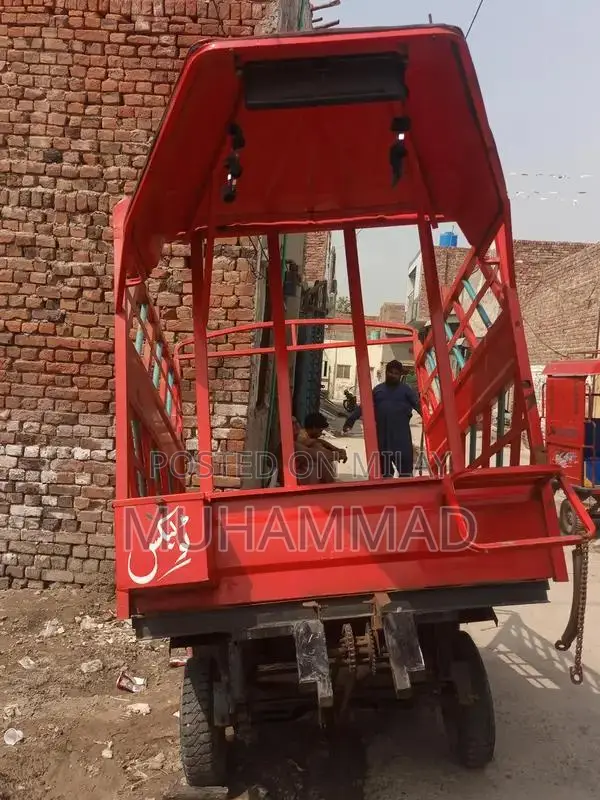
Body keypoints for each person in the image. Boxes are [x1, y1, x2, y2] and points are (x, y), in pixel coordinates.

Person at [342, 360, 421, 478]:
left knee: (406, 474)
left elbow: (420, 407)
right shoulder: (378, 390)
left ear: (400, 375)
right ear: (386, 372)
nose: (392, 375)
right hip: (383, 438)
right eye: (390, 372)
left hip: (401, 438)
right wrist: (350, 421)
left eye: (396, 373)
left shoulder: (406, 391)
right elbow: (364, 406)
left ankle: (403, 495)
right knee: (385, 474)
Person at [294, 412, 347, 484]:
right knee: (323, 458)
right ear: (314, 427)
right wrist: (337, 455)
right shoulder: (302, 437)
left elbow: (319, 441)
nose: (321, 433)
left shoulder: (308, 437)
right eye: (320, 430)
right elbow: (319, 451)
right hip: (296, 475)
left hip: (301, 472)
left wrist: (336, 449)